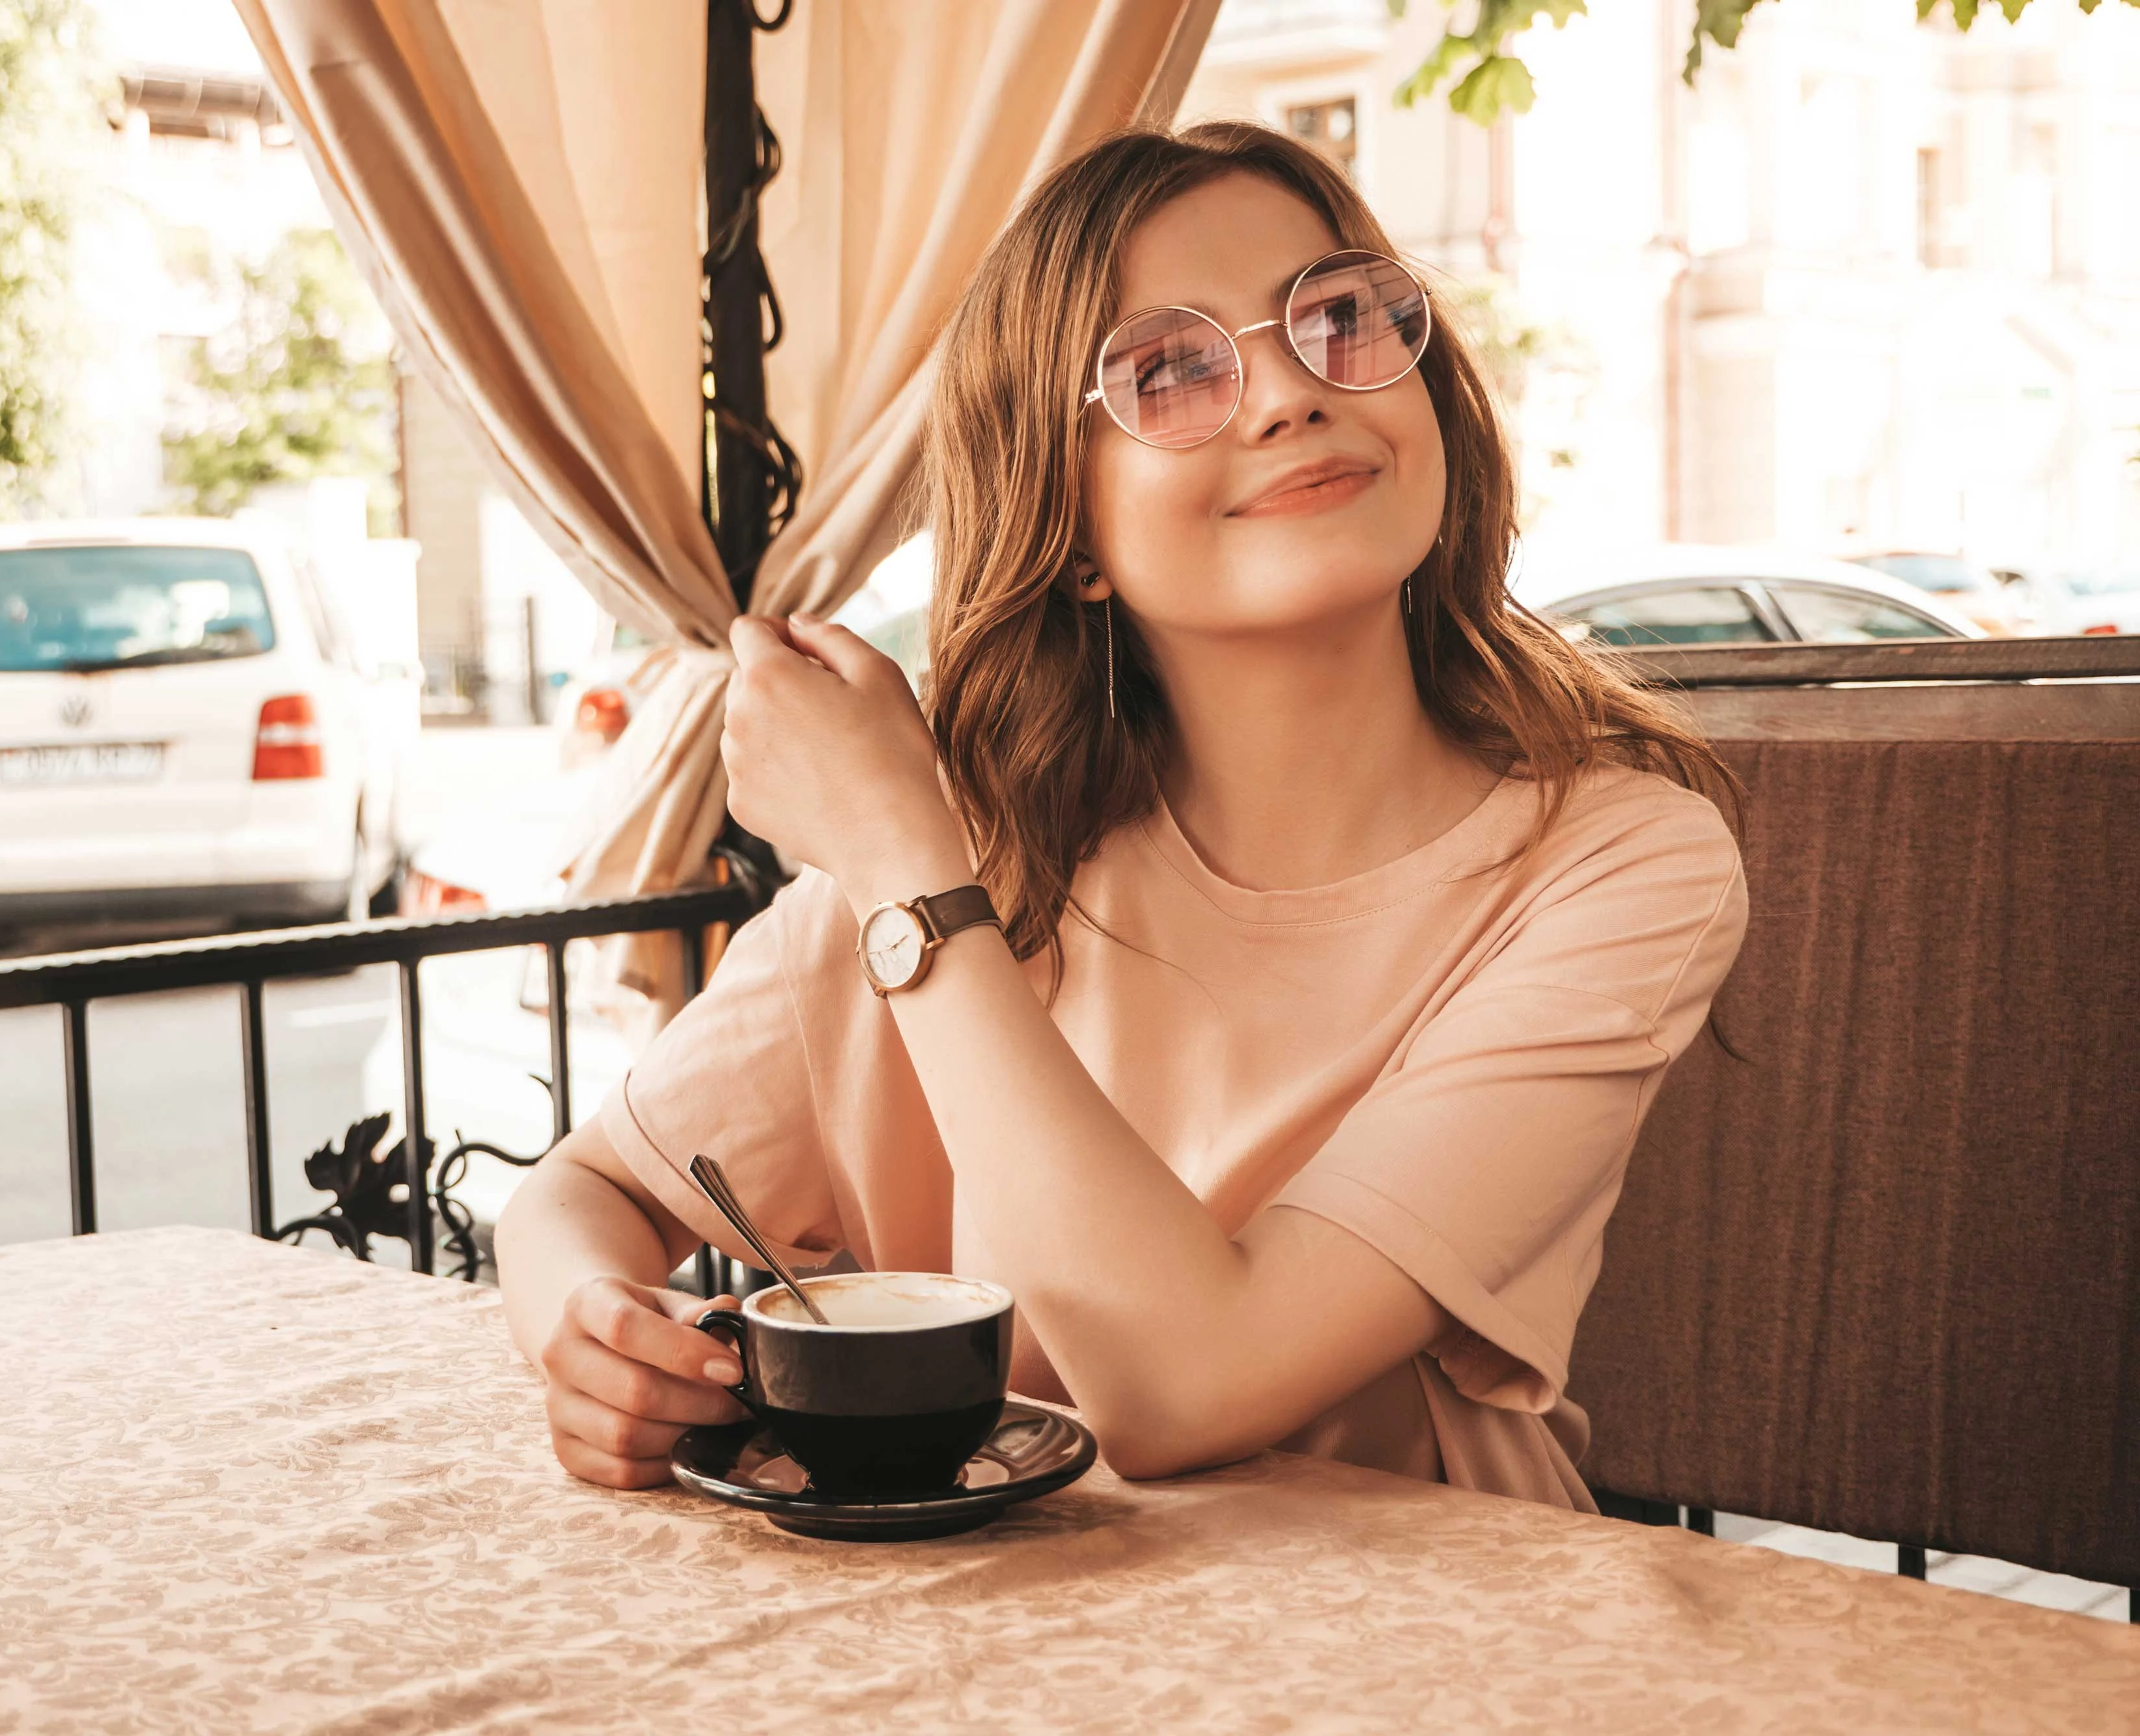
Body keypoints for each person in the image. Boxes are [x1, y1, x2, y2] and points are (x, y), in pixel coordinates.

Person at [494, 123, 1747, 1511]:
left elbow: (1187, 1391)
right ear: (1070, 525)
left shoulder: (1617, 862)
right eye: (1168, 370)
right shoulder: (959, 847)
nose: (1284, 394)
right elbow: (579, 1190)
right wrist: (586, 1325)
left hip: (1423, 1652)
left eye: (1334, 318)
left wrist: (909, 872)